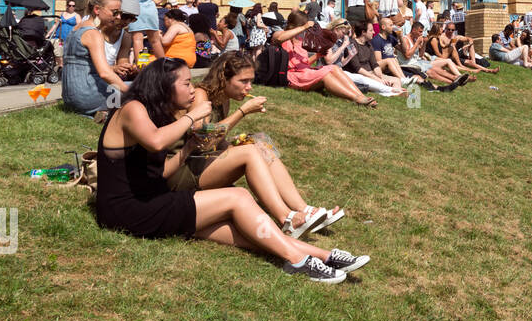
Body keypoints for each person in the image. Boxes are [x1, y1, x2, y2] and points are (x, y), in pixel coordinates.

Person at [95, 58, 365, 283]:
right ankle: (297, 261)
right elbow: (155, 141)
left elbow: (163, 172)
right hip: (128, 210)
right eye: (186, 83)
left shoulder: (157, 113)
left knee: (244, 230)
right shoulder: (132, 109)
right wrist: (193, 115)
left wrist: (189, 146)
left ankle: (323, 255)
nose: (192, 90)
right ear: (164, 85)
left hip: (152, 201)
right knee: (238, 197)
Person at [182, 52, 354, 240]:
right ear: (224, 78)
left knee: (259, 142)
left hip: (205, 164)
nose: (249, 88)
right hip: (189, 171)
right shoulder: (201, 95)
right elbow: (202, 140)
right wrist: (242, 112)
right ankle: (286, 218)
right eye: (244, 81)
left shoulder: (224, 99)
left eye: (251, 81)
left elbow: (217, 143)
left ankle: (303, 209)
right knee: (249, 152)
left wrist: (236, 142)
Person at [274, 11, 377, 106]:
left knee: (334, 68)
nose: (306, 30)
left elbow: (305, 63)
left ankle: (361, 96)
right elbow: (278, 38)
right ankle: (356, 99)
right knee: (325, 75)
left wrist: (318, 55)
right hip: (292, 76)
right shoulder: (280, 35)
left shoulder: (300, 40)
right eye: (304, 26)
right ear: (297, 25)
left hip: (305, 72)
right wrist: (304, 27)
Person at [61, 0, 137, 117]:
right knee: (142, 88)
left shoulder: (76, 29)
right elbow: (104, 73)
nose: (118, 17)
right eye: (115, 12)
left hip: (69, 98)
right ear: (97, 10)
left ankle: (103, 112)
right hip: (87, 96)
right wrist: (132, 93)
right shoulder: (93, 34)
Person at [399, 22, 463, 89]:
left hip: (417, 62)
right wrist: (417, 43)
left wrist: (424, 43)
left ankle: (455, 78)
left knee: (436, 68)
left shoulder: (415, 39)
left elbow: (420, 55)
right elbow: (407, 56)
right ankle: (452, 82)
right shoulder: (405, 39)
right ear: (413, 30)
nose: (421, 34)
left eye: (422, 32)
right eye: (420, 32)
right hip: (408, 64)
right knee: (431, 71)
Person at [47, 0, 79, 68]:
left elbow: (79, 27)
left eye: (73, 6)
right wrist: (49, 34)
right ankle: (61, 67)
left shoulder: (77, 16)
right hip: (60, 38)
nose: (71, 7)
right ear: (67, 6)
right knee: (58, 53)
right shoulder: (62, 14)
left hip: (70, 39)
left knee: (68, 54)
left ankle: (66, 68)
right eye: (70, 5)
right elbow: (55, 25)